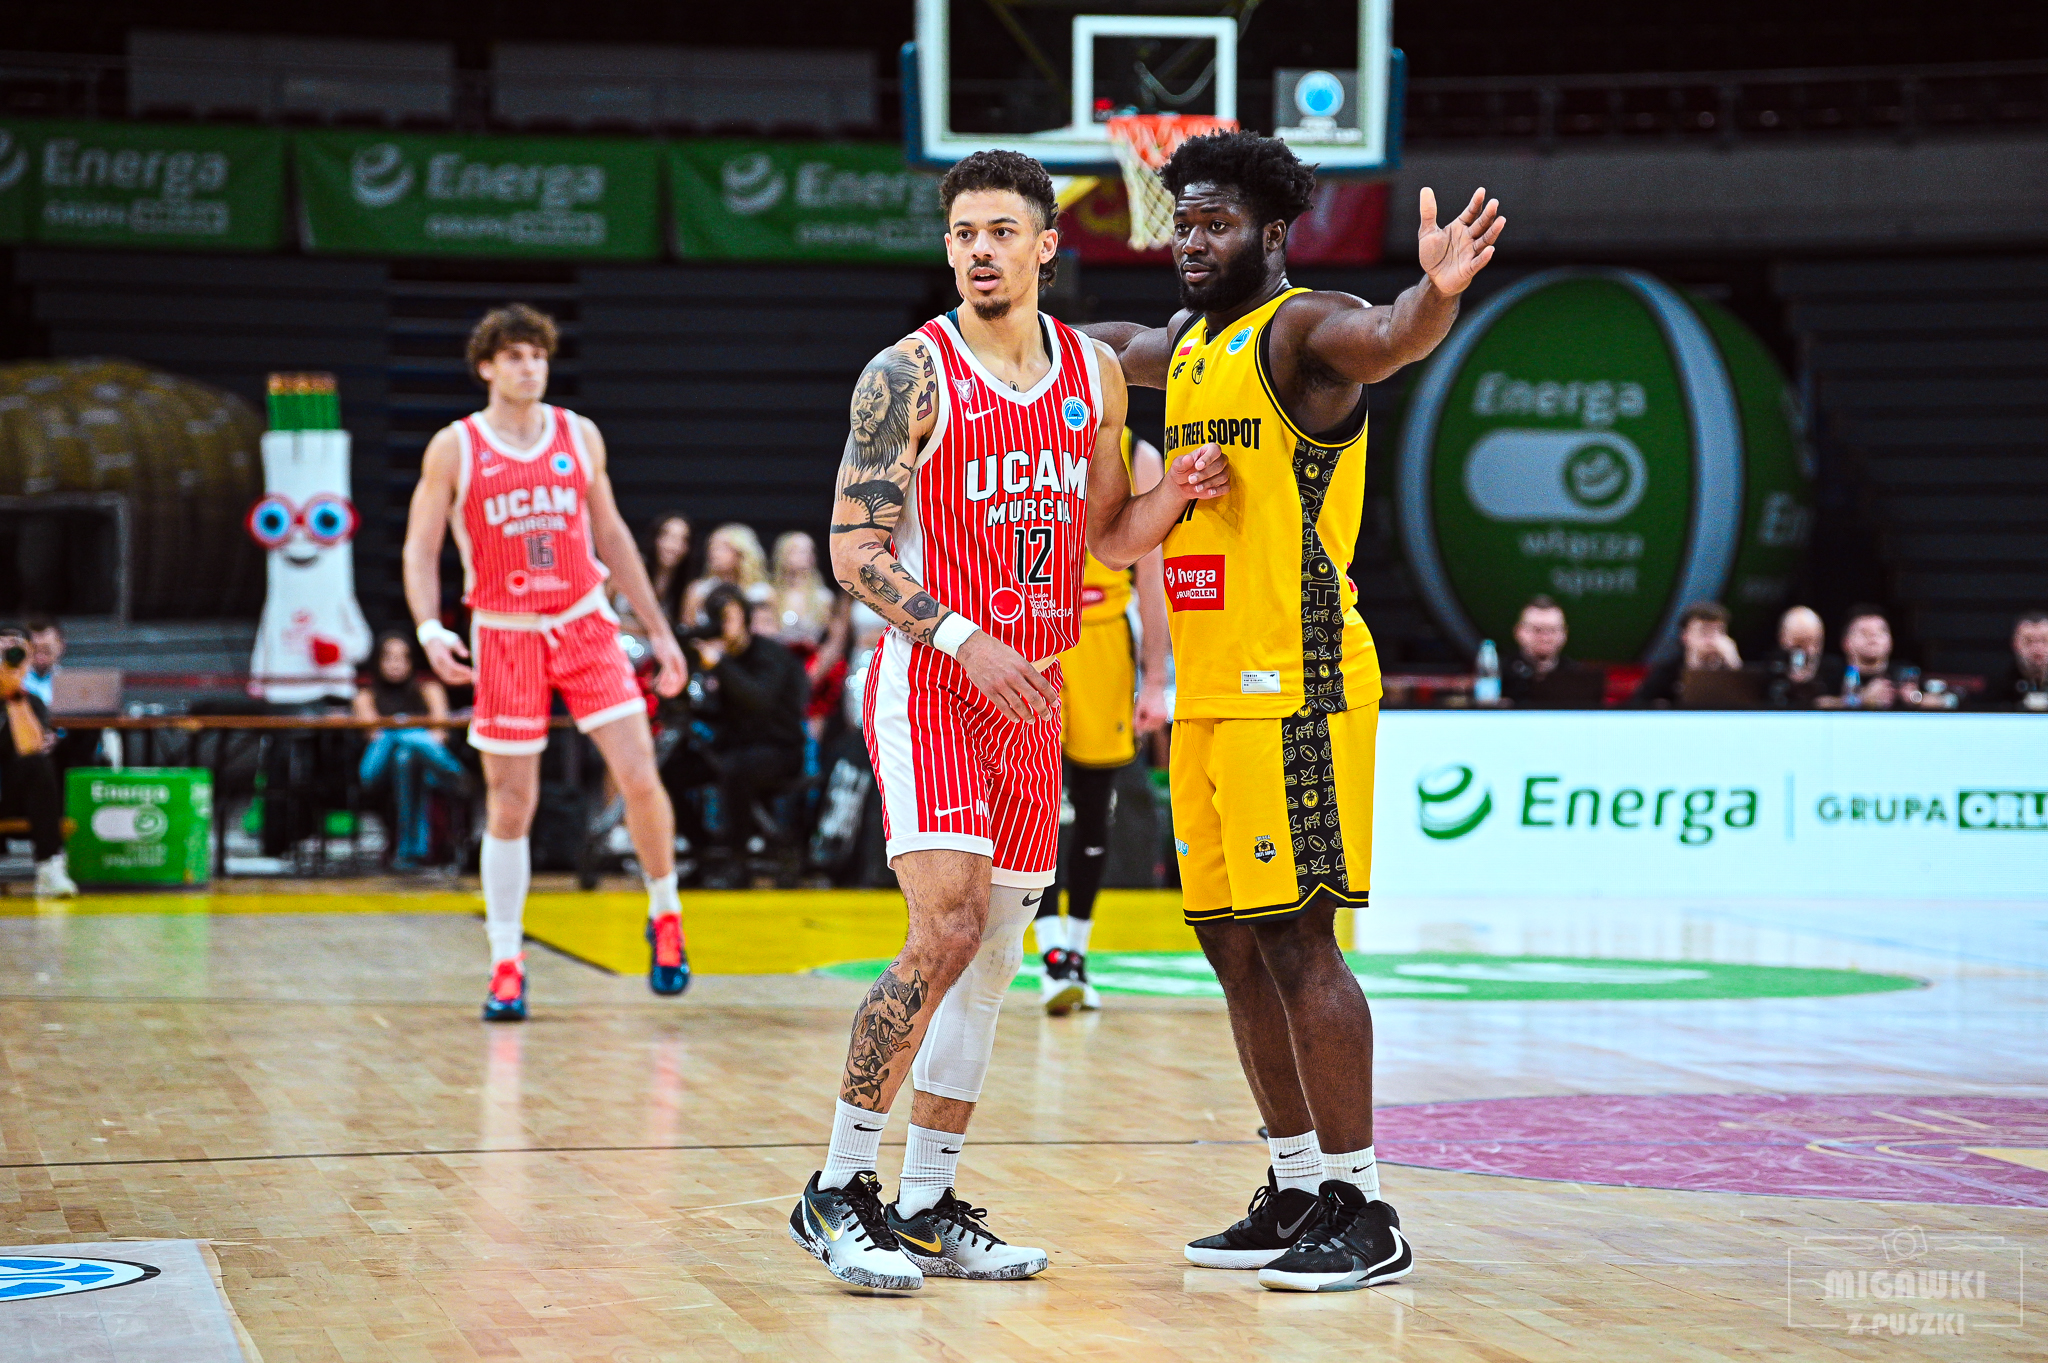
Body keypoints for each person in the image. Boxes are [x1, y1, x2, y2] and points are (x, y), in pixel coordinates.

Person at [790, 148, 1227, 1292]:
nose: (979, 250)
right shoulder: (906, 373)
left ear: (1045, 245)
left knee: (989, 961)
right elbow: (853, 550)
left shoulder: (1093, 373)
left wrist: (1175, 495)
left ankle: (926, 1203)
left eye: (999, 231)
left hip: (1033, 692)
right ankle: (837, 1185)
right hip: (935, 679)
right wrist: (962, 638)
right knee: (942, 929)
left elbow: (1106, 538)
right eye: (962, 233)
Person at [1083, 132, 1502, 1291]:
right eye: (1181, 221)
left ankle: (1365, 1206)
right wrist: (990, 329)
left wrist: (1433, 294)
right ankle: (1297, 1181)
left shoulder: (1301, 330)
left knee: (1298, 940)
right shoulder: (1180, 347)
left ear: (1268, 235)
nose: (1190, 239)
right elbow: (1091, 350)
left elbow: (1388, 337)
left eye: (1214, 222)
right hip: (1208, 696)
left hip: (1298, 687)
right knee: (1229, 944)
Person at [402, 303, 693, 1020]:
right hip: (504, 631)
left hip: (584, 621)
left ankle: (665, 912)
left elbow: (613, 535)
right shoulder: (455, 446)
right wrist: (430, 629)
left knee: (639, 773)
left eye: (538, 355)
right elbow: (420, 547)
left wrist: (659, 631)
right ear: (487, 367)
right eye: (515, 355)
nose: (530, 366)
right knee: (511, 802)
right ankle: (506, 960)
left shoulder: (577, 433)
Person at [1031, 427, 1171, 1013]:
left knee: (1093, 805)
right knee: (1030, 809)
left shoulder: (1137, 454)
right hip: (1028, 633)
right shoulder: (1021, 430)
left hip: (1102, 638)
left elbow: (1152, 574)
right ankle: (1051, 955)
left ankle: (1078, 951)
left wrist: (1156, 679)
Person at [670, 582, 809, 880]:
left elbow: (758, 702)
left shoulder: (771, 654)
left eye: (728, 617)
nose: (722, 625)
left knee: (736, 769)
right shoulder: (715, 656)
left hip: (779, 749)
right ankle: (703, 849)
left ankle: (738, 861)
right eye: (716, 617)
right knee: (671, 770)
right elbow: (710, 711)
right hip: (731, 747)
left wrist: (720, 665)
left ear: (745, 618)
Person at [354, 630, 467, 870]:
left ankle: (409, 852)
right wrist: (408, 729)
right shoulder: (366, 695)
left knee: (405, 758)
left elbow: (441, 734)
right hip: (378, 772)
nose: (395, 664)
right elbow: (374, 735)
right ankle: (456, 773)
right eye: (389, 657)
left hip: (422, 770)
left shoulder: (428, 689)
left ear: (411, 660)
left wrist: (398, 727)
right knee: (402, 746)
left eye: (402, 657)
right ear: (378, 660)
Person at [0, 627, 72, 897]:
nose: (7, 658)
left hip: (9, 797)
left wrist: (13, 695)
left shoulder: (31, 702)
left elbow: (31, 746)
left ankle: (49, 865)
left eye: (14, 651)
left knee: (37, 763)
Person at [769, 530, 853, 738]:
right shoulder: (770, 595)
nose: (804, 556)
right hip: (776, 670)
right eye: (796, 550)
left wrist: (815, 671)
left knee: (810, 736)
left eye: (808, 551)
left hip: (811, 672)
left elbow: (835, 639)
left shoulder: (823, 599)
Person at [1628, 602, 1743, 707]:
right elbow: (1637, 706)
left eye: (1719, 631)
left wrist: (1734, 662)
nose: (1712, 640)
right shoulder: (1667, 672)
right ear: (1685, 636)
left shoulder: (1732, 667)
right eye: (1704, 632)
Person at [1817, 604, 1927, 710]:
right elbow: (1818, 703)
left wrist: (1914, 698)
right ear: (1846, 641)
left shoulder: (1904, 672)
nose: (1872, 638)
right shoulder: (1830, 671)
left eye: (1880, 632)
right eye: (1864, 633)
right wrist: (1860, 700)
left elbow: (1934, 698)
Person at [1501, 596, 1602, 709]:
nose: (1545, 638)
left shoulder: (1579, 678)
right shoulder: (1496, 675)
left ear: (1564, 634)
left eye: (1552, 630)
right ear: (1519, 632)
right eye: (1537, 630)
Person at [618, 511, 691, 642]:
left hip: (654, 650)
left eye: (683, 540)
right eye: (668, 536)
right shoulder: (631, 566)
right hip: (615, 641)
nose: (674, 546)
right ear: (656, 538)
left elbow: (683, 630)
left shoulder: (686, 587)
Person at [682, 522, 770, 624]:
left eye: (723, 548)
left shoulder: (762, 593)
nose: (714, 553)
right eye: (711, 547)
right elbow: (687, 628)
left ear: (741, 553)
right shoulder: (697, 591)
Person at [1762, 605, 1830, 709]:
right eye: (1799, 644)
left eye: (1814, 643)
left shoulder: (1833, 670)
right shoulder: (1769, 668)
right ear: (1783, 639)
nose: (1809, 651)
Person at [1985, 610, 2048, 712]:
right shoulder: (1998, 685)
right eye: (2028, 641)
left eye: (2044, 640)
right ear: (2015, 644)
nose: (2037, 649)